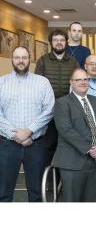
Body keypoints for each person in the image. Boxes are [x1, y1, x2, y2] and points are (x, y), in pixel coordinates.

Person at [0, 46, 55, 202]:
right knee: (3, 193)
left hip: (35, 145)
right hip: (7, 145)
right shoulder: (1, 82)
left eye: (24, 57)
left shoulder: (42, 82)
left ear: (30, 59)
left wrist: (29, 131)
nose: (21, 61)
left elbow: (49, 110)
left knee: (36, 193)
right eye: (17, 57)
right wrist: (15, 134)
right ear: (12, 59)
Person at [53, 69, 96, 202]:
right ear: (71, 83)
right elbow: (66, 130)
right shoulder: (62, 103)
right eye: (78, 80)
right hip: (73, 163)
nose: (83, 82)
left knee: (93, 202)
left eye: (85, 79)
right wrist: (90, 149)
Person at [35, 29, 79, 168]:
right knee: (48, 147)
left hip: (67, 112)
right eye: (55, 40)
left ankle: (63, 184)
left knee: (66, 147)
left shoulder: (73, 62)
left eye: (61, 40)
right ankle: (49, 184)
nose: (59, 43)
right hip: (48, 112)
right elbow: (38, 86)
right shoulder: (43, 60)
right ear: (51, 43)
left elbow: (78, 85)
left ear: (66, 42)